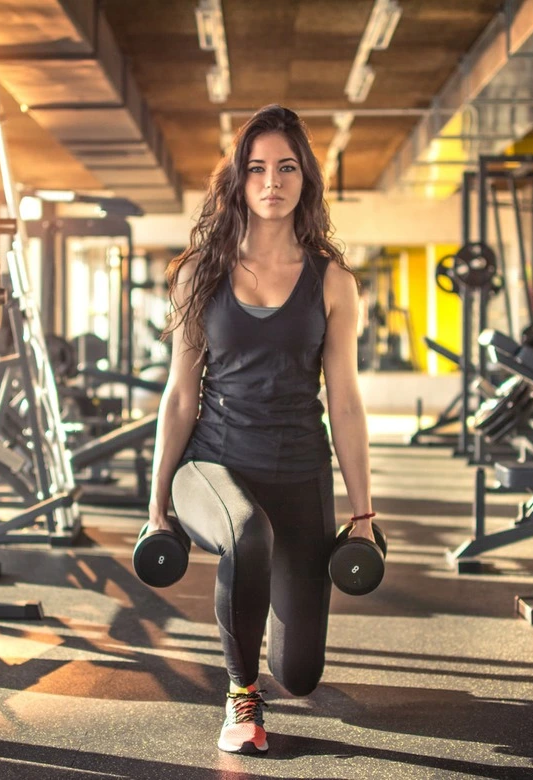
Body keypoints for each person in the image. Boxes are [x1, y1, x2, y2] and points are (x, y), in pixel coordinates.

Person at [148, 104, 374, 755]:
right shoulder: (201, 272)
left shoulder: (332, 282)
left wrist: (362, 513)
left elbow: (347, 401)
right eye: (256, 168)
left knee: (300, 675)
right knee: (247, 535)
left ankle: (273, 664)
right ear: (238, 181)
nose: (271, 180)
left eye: (286, 167)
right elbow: (180, 394)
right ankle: (241, 696)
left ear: (304, 180)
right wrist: (156, 501)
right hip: (213, 465)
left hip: (299, 476)